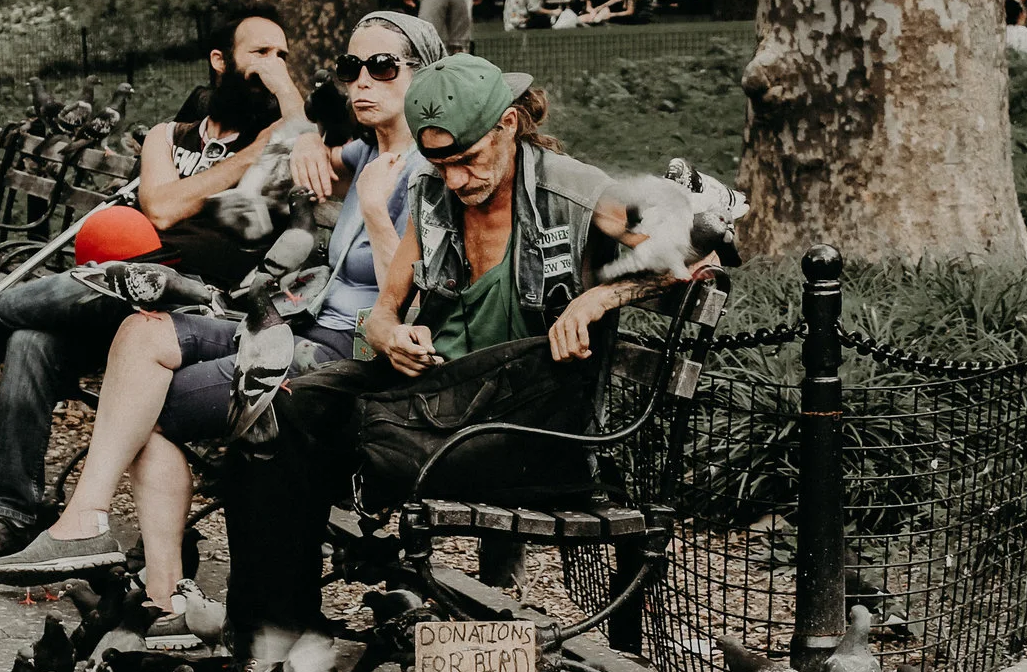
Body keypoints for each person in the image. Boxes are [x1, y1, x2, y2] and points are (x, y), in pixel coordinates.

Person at [220, 54, 693, 639]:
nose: (457, 181)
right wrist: (390, 335)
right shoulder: (433, 190)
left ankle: (282, 637)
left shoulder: (576, 191)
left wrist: (597, 299)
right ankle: (277, 636)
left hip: (528, 424)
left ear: (508, 125)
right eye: (442, 165)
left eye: (468, 160)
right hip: (441, 396)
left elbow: (695, 250)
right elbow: (383, 314)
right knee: (274, 415)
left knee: (331, 436)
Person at [0, 11, 448, 601]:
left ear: (424, 74)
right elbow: (299, 141)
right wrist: (309, 137)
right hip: (297, 322)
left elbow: (407, 301)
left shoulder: (431, 171)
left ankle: (162, 595)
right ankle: (88, 521)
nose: (360, 80)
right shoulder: (366, 152)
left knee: (145, 408)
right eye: (350, 65)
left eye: (381, 67)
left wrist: (378, 212)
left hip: (351, 354)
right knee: (143, 332)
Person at [0, 3, 316, 570]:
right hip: (125, 290)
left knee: (124, 283)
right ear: (219, 60)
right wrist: (246, 157)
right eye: (260, 53)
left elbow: (305, 133)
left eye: (282, 56)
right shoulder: (166, 137)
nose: (272, 66)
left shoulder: (284, 142)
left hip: (202, 308)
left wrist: (279, 103)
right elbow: (160, 206)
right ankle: (12, 513)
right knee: (31, 341)